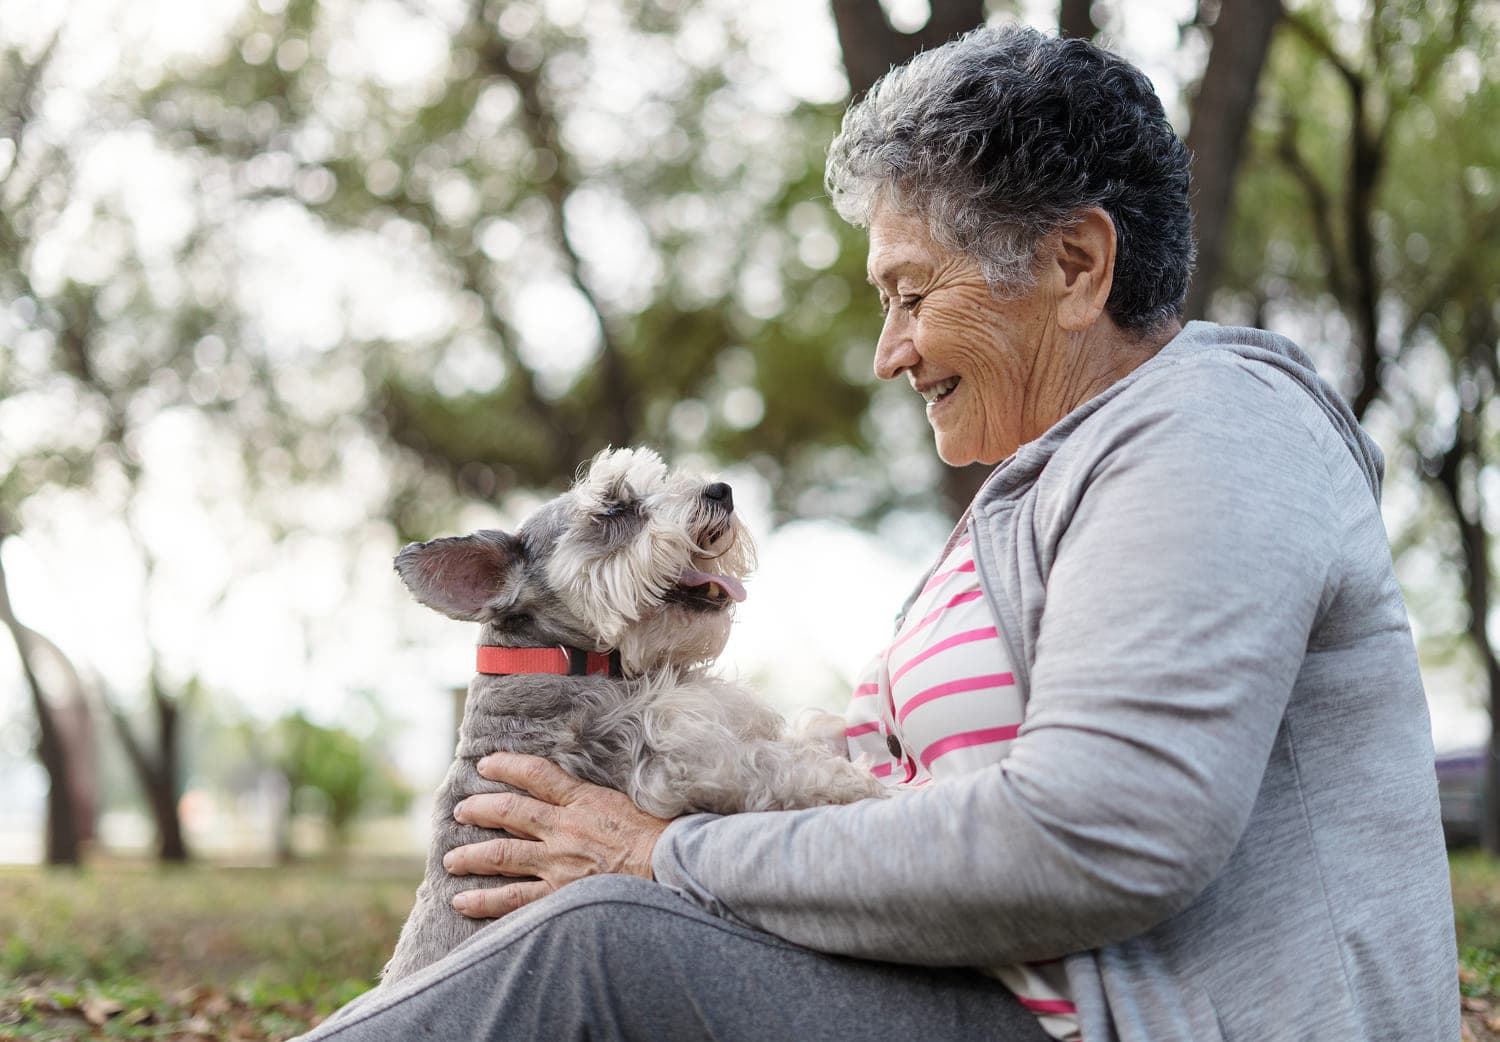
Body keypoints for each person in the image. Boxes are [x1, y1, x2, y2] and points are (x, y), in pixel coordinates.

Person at [298, 23, 1457, 1042]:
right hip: (977, 991)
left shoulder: (1211, 433)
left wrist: (660, 855)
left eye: (911, 294)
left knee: (600, 936)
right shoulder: (1050, 482)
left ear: (1075, 264)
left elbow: (1097, 835)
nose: (887, 350)